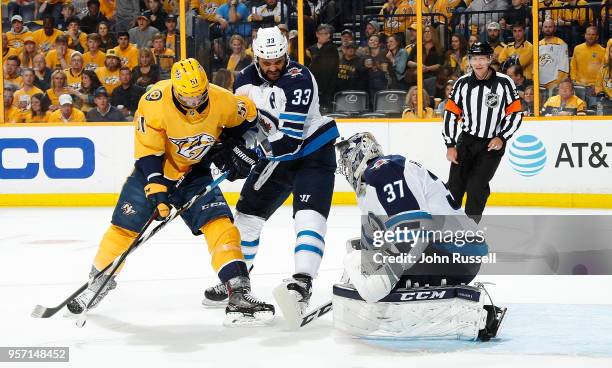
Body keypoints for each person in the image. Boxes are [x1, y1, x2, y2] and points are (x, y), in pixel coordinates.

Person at [66, 58, 275, 326]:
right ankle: (97, 283)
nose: (195, 103)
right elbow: (149, 153)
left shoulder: (222, 100)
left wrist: (239, 147)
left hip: (195, 175)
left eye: (200, 96)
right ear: (176, 91)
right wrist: (157, 192)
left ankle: (239, 290)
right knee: (123, 229)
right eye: (188, 98)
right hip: (154, 174)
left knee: (221, 225)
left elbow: (249, 122)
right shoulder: (154, 102)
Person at [202, 27, 339, 320]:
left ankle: (302, 283)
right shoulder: (242, 80)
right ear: (256, 57)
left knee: (307, 216)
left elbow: (289, 140)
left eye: (278, 59)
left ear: (285, 54)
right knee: (247, 214)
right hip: (276, 156)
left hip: (313, 152)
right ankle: (237, 283)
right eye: (267, 62)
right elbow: (246, 126)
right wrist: (233, 148)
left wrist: (250, 155)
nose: (274, 66)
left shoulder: (299, 78)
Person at [333, 132, 505, 341]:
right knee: (363, 254)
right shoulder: (371, 183)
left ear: (361, 154)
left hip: (452, 252)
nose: (346, 167)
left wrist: (379, 278)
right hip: (456, 255)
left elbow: (413, 232)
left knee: (358, 261)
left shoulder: (383, 169)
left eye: (348, 158)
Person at [443, 42, 522, 222]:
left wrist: (502, 137)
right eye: (474, 59)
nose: (478, 63)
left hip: (491, 146)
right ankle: (446, 228)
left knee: (476, 186)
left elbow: (516, 113)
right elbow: (450, 114)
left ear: (489, 59)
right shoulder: (462, 84)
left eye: (482, 59)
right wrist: (450, 144)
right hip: (466, 142)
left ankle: (470, 229)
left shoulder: (504, 83)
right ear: (469, 61)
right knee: (454, 187)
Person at [307, 24, 339, 113]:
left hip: (324, 91)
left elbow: (326, 72)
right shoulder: (325, 48)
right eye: (319, 33)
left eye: (323, 34)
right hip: (321, 89)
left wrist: (320, 89)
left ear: (328, 35)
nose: (320, 36)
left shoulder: (329, 49)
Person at [538, 19, 569, 91]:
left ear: (555, 29)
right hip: (538, 83)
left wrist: (557, 83)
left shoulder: (561, 44)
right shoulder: (538, 44)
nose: (547, 29)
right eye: (545, 27)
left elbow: (564, 68)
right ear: (542, 28)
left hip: (553, 84)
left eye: (550, 27)